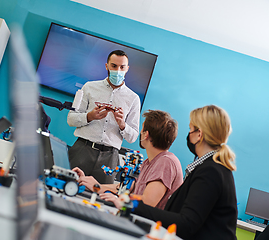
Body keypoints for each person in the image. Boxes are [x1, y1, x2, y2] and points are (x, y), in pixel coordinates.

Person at [128, 105, 237, 240]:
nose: (189, 134)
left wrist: (134, 205)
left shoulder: (210, 171)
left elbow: (186, 223)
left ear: (199, 134)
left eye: (191, 129)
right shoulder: (212, 168)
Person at [73, 110, 183, 209]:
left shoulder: (166, 162)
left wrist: (117, 199)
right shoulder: (149, 162)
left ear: (146, 135)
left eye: (142, 129)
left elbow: (148, 202)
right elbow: (125, 188)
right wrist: (96, 186)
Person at [67, 50, 140, 184]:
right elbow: (71, 119)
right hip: (82, 149)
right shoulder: (88, 87)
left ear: (127, 69)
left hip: (110, 157)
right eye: (114, 66)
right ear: (106, 66)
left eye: (122, 67)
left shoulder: (133, 98)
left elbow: (133, 137)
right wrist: (89, 116)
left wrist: (122, 124)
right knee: (66, 186)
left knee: (101, 197)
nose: (118, 70)